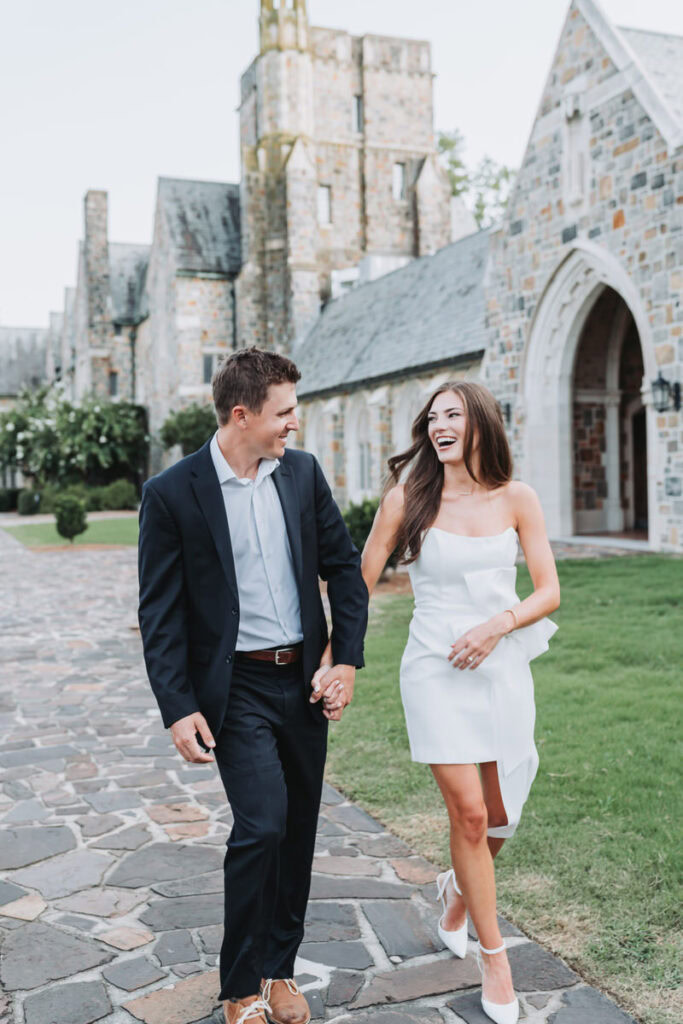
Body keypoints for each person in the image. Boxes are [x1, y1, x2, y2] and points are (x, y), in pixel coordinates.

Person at [137, 347, 368, 1024]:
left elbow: (344, 571)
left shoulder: (300, 475)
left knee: (295, 830)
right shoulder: (172, 494)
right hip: (234, 688)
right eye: (285, 411)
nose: (294, 424)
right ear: (242, 415)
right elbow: (159, 612)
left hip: (301, 682)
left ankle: (280, 971)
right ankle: (239, 987)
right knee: (261, 825)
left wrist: (344, 660)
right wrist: (177, 708)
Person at [329, 380, 559, 1024]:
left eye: (453, 414)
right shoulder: (409, 498)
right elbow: (359, 580)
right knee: (466, 815)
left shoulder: (518, 498)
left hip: (500, 665)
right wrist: (336, 656)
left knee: (500, 815)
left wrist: (497, 625)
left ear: (480, 423)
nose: (440, 426)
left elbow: (548, 591)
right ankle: (495, 957)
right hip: (433, 669)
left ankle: (458, 892)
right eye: (433, 417)